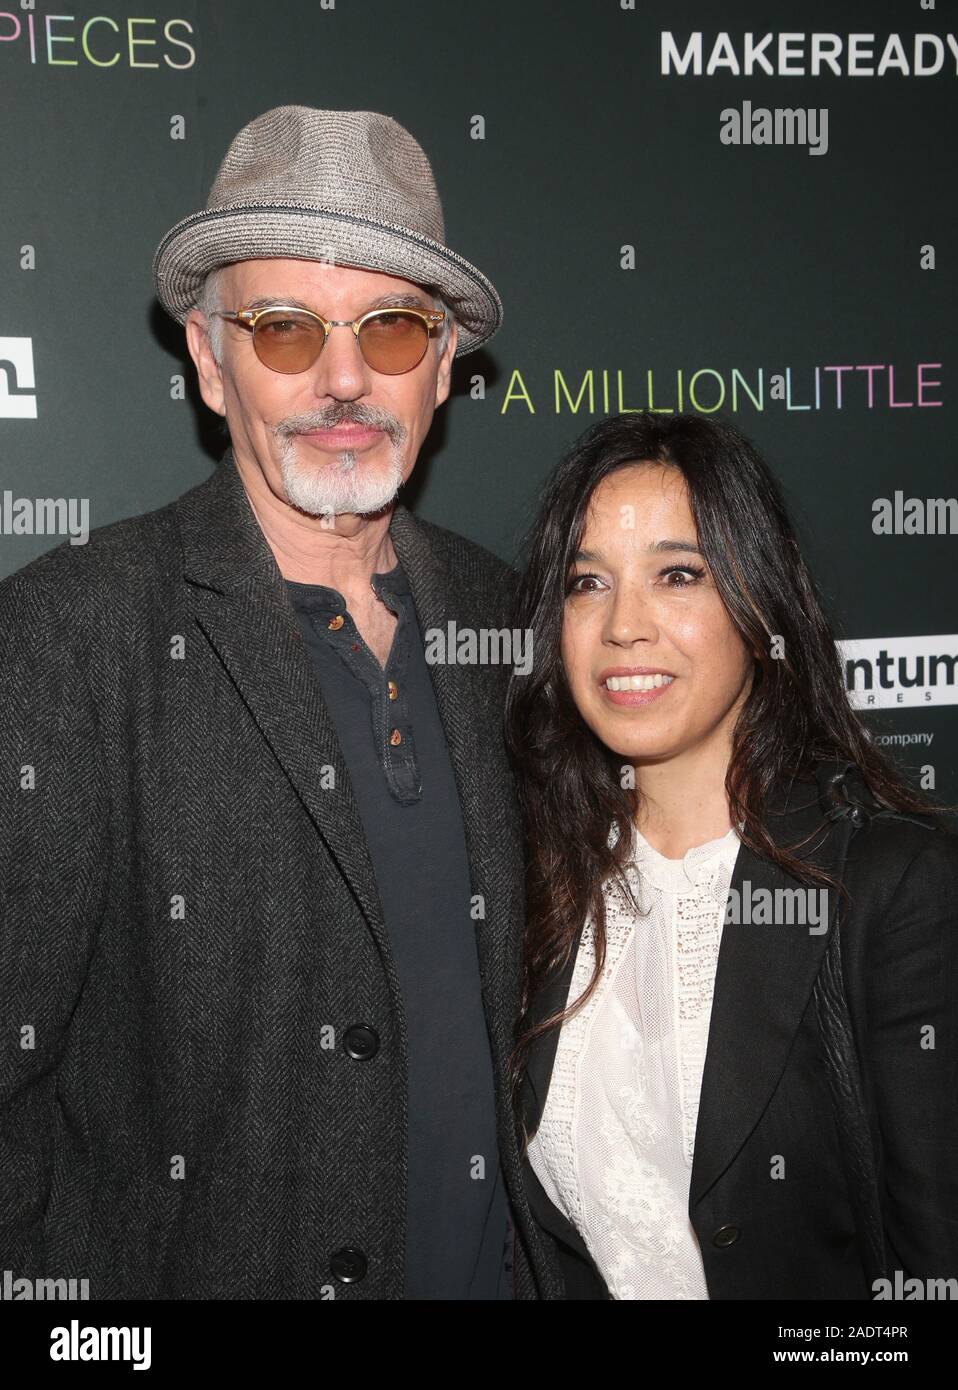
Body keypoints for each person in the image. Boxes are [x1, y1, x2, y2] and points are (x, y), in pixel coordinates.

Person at [0, 104, 562, 1300]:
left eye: (392, 328)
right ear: (209, 361)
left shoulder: (509, 617)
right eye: (285, 330)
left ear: (447, 363)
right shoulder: (70, 634)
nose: (345, 379)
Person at [504, 410, 958, 1300]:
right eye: (587, 583)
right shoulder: (538, 884)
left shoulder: (888, 888)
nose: (624, 626)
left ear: (759, 606)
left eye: (678, 574)